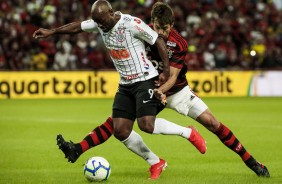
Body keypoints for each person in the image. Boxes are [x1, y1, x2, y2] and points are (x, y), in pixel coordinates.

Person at [51, 2, 270, 178]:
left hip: (177, 91)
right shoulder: (143, 32)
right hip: (150, 86)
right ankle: (152, 161)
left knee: (214, 124)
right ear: (153, 23)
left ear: (171, 25)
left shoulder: (179, 43)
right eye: (158, 27)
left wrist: (162, 90)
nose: (161, 33)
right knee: (118, 125)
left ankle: (251, 161)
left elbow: (172, 76)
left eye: (165, 29)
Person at [33, 0, 206, 180]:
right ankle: (156, 162)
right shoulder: (100, 22)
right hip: (125, 84)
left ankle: (188, 133)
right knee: (120, 130)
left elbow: (157, 41)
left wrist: (166, 71)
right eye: (96, 22)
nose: (100, 25)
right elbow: (78, 26)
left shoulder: (131, 23)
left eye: (102, 21)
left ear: (111, 13)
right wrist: (52, 31)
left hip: (145, 79)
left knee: (146, 124)